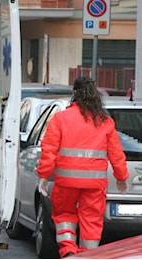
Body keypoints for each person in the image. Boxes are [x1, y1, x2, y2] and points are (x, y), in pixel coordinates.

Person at [37, 76, 129, 258]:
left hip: (66, 182)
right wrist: (122, 178)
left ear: (75, 94)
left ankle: (68, 250)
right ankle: (88, 255)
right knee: (92, 220)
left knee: (64, 215)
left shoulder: (61, 119)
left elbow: (49, 150)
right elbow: (117, 155)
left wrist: (44, 176)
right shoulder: (105, 122)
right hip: (94, 185)